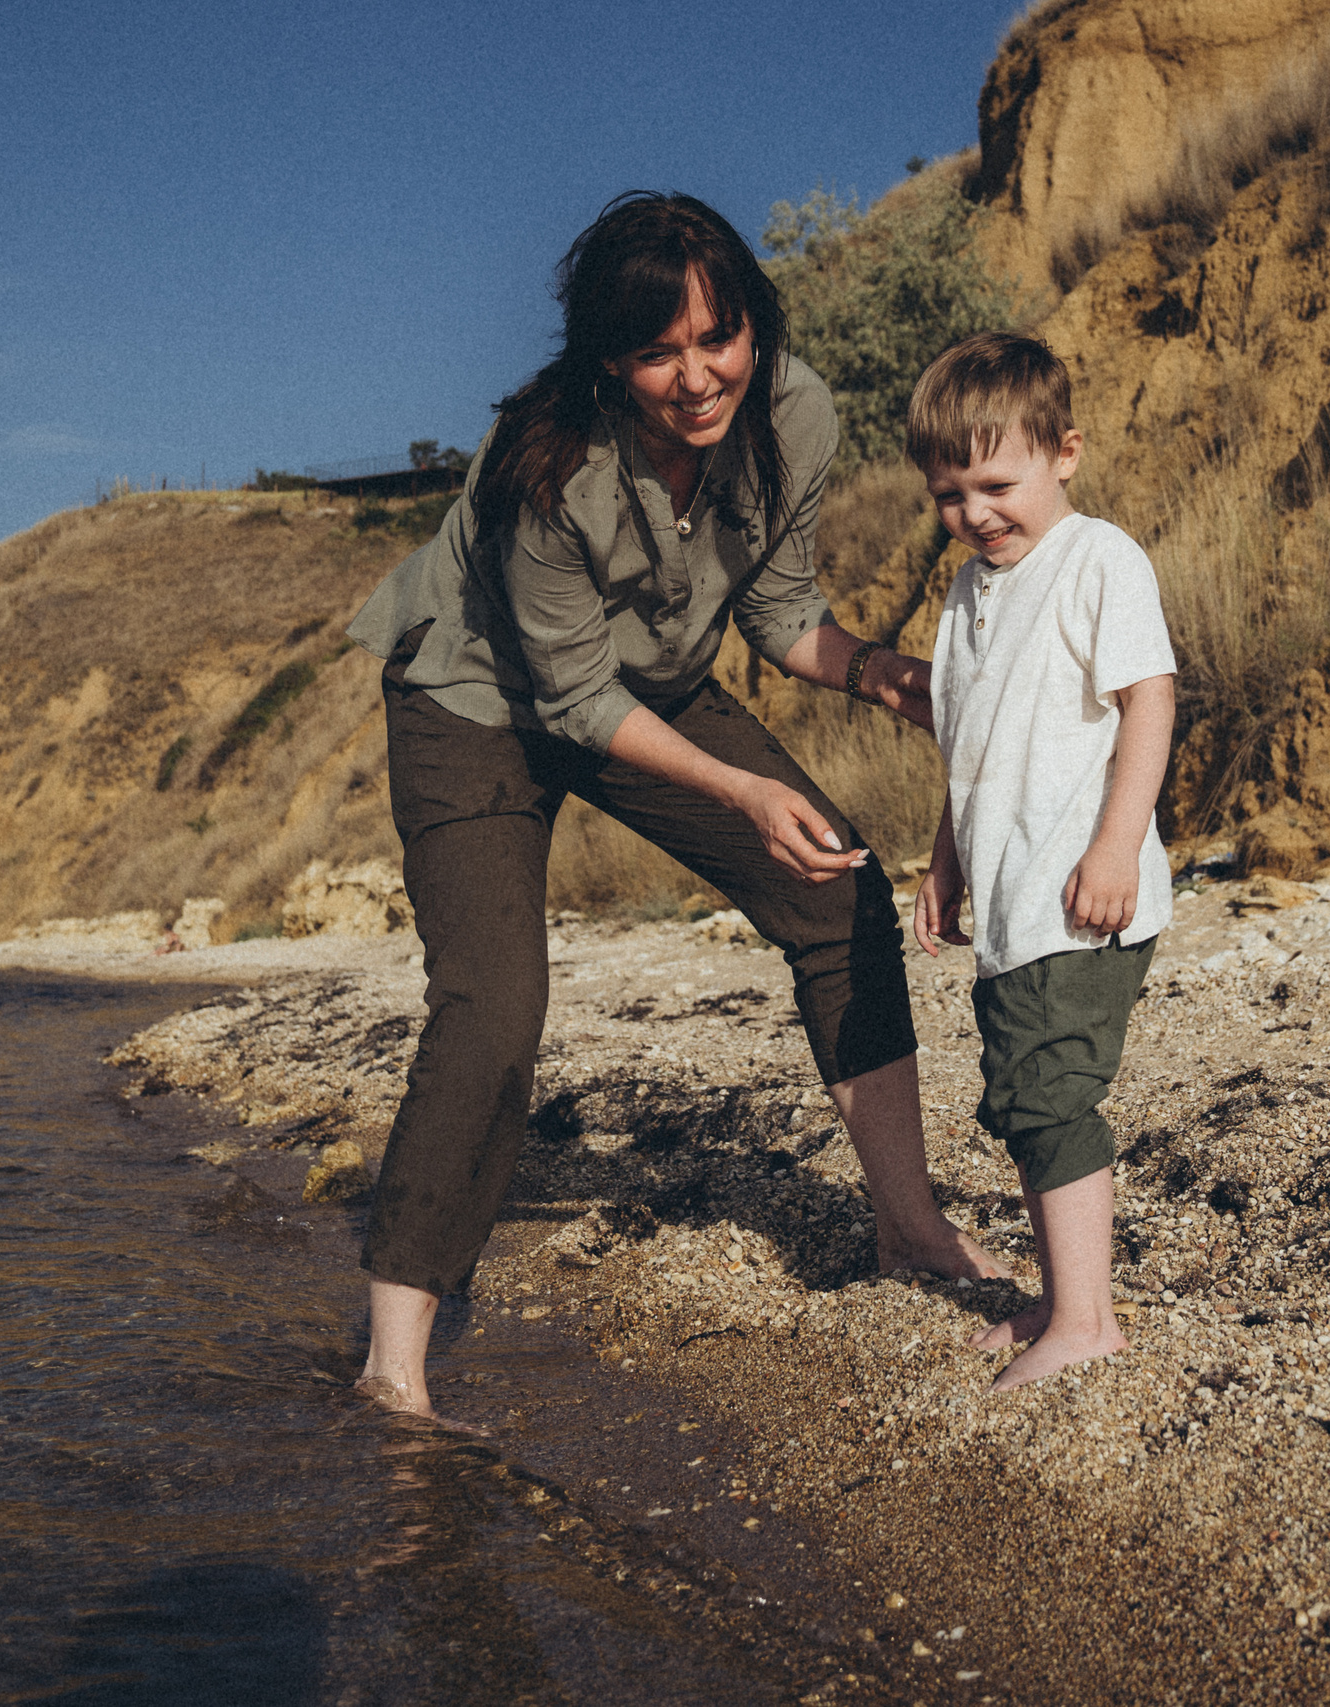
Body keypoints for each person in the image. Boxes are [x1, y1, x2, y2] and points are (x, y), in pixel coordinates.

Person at [343, 191, 1000, 1421]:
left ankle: (909, 1227)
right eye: (657, 352)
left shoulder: (794, 413)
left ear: (754, 323)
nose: (698, 379)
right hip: (473, 704)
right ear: (607, 359)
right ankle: (394, 1365)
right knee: (492, 1008)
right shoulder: (542, 468)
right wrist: (742, 788)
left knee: (839, 893)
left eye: (719, 337)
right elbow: (573, 697)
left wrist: (881, 674)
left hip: (643, 684)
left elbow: (778, 610)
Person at [907, 331, 1178, 1391]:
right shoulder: (967, 597)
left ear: (1064, 454)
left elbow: (1148, 699)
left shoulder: (1097, 558)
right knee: (1022, 1093)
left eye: (996, 484)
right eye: (949, 494)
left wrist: (1116, 843)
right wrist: (944, 862)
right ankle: (1064, 1299)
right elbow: (969, 749)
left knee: (1052, 1095)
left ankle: (1088, 1322)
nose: (975, 512)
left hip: (1079, 894)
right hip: (1013, 903)